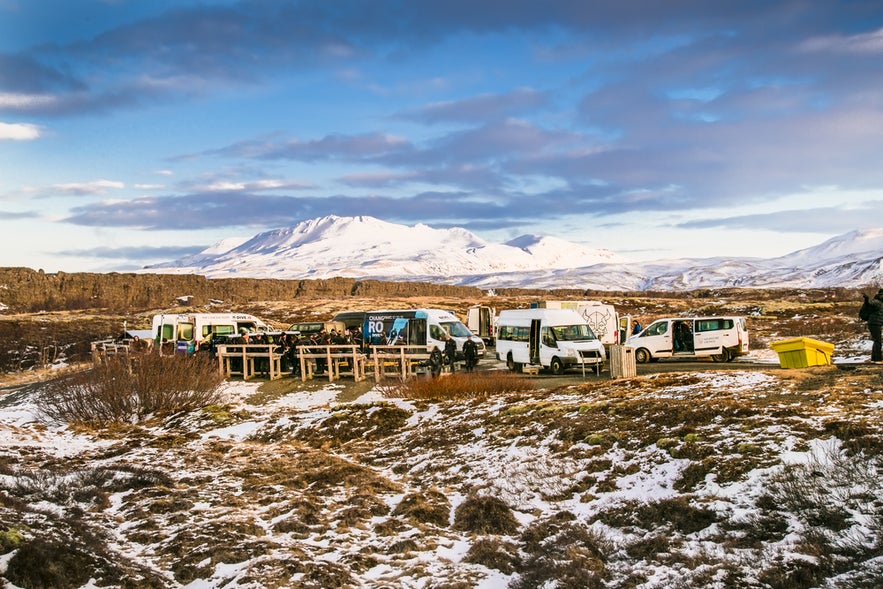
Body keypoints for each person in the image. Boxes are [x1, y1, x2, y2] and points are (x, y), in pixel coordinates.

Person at [860, 289, 883, 363]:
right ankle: (878, 359)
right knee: (878, 341)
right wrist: (866, 299)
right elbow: (870, 303)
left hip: (875, 323)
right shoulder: (878, 302)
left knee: (877, 341)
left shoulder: (880, 303)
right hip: (874, 323)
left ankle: (874, 358)